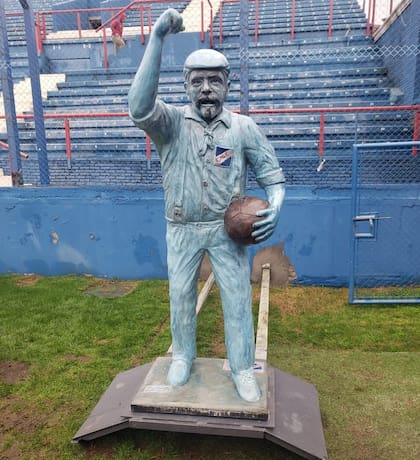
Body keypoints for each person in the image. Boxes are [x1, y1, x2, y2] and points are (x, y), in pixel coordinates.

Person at [128, 9, 285, 402]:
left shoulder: (243, 128)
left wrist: (276, 207)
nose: (206, 89)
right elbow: (138, 108)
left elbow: (273, 178)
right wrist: (157, 39)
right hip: (181, 227)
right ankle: (182, 355)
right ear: (185, 85)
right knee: (180, 294)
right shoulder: (170, 124)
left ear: (228, 83)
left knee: (236, 299)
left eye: (215, 80)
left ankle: (243, 369)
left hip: (225, 229)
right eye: (197, 81)